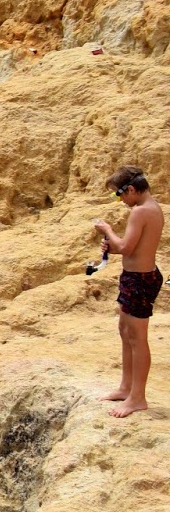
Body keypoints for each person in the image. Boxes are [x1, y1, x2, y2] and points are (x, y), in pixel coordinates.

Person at [93, 166, 163, 418]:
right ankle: (126, 387)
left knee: (137, 337)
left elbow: (125, 246)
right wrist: (112, 247)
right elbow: (131, 248)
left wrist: (108, 231)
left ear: (131, 189)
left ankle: (138, 398)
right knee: (125, 331)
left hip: (140, 280)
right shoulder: (151, 208)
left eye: (118, 195)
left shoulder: (141, 212)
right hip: (136, 277)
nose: (120, 200)